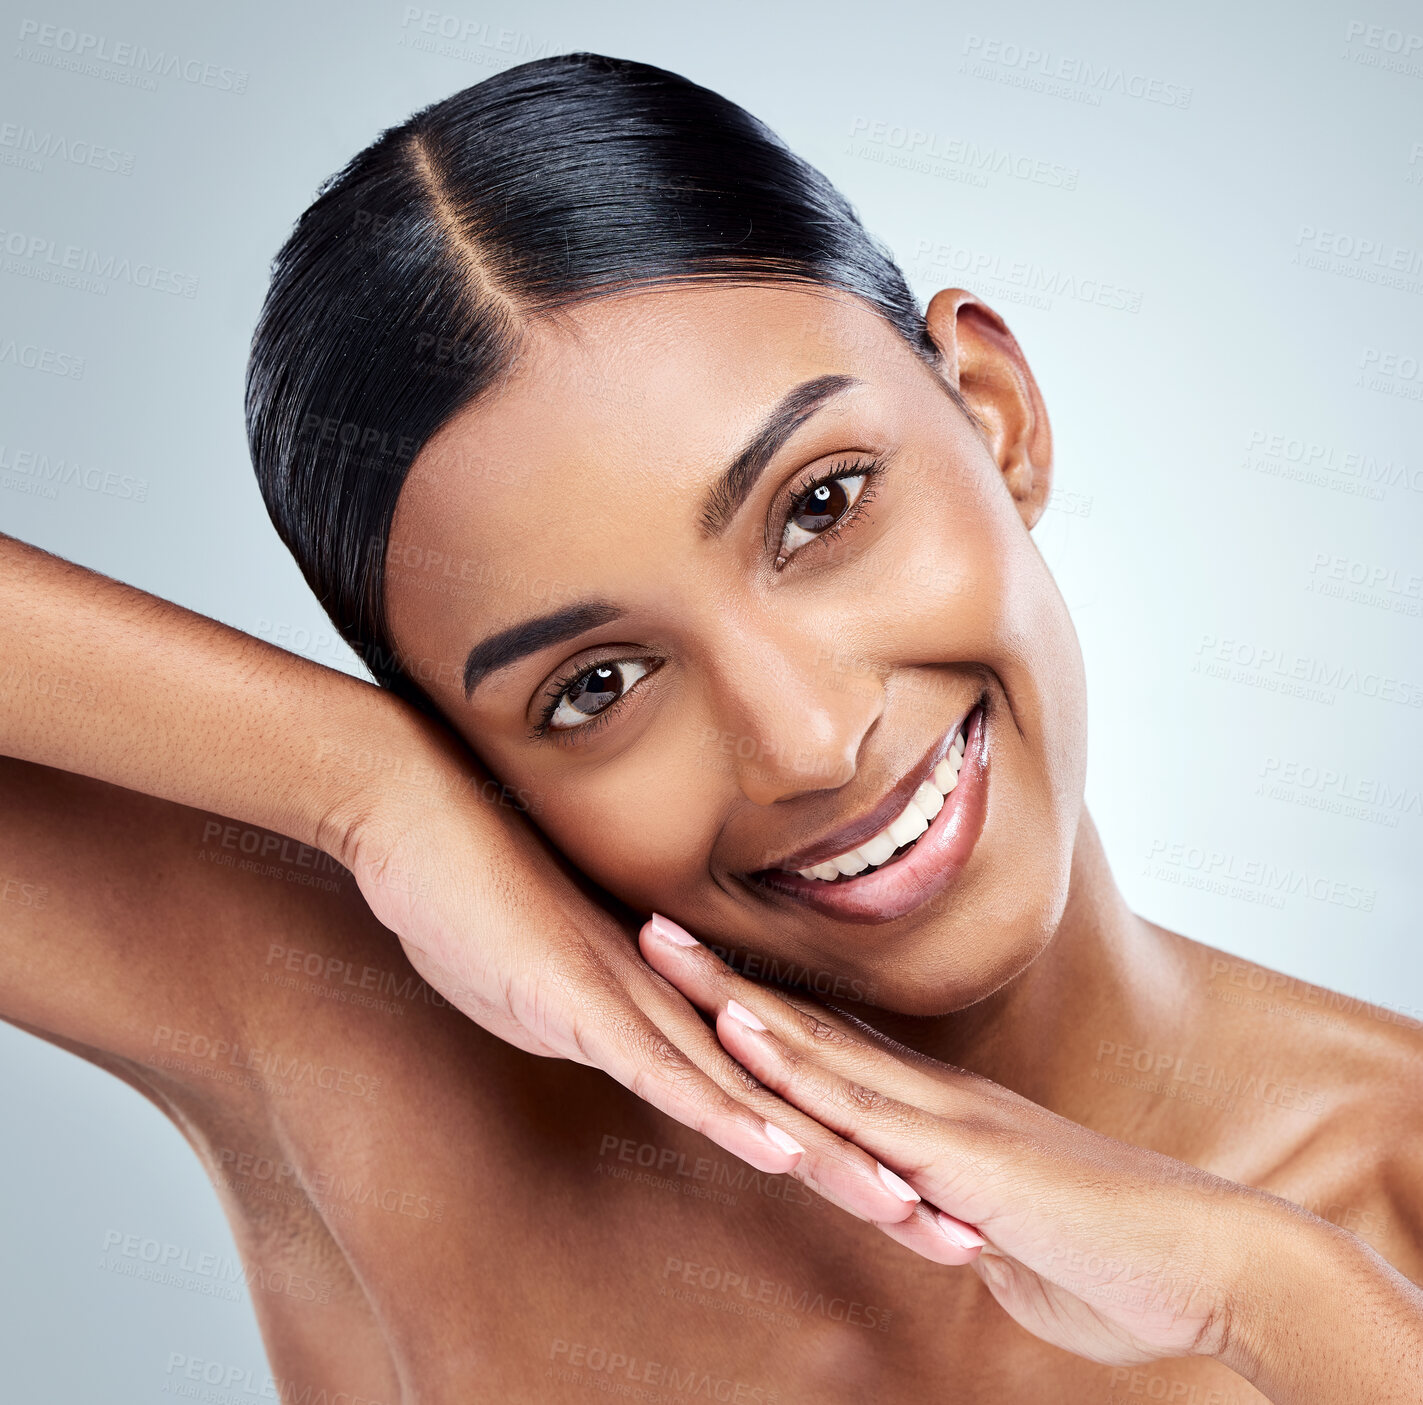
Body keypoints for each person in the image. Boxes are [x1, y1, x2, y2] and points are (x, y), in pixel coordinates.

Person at [2, 51, 1420, 1403]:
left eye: (820, 505)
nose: (804, 742)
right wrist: (365, 787)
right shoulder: (339, 1027)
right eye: (593, 688)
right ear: (477, 761)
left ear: (995, 413)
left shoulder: (1390, 1192)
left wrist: (1275, 1295)